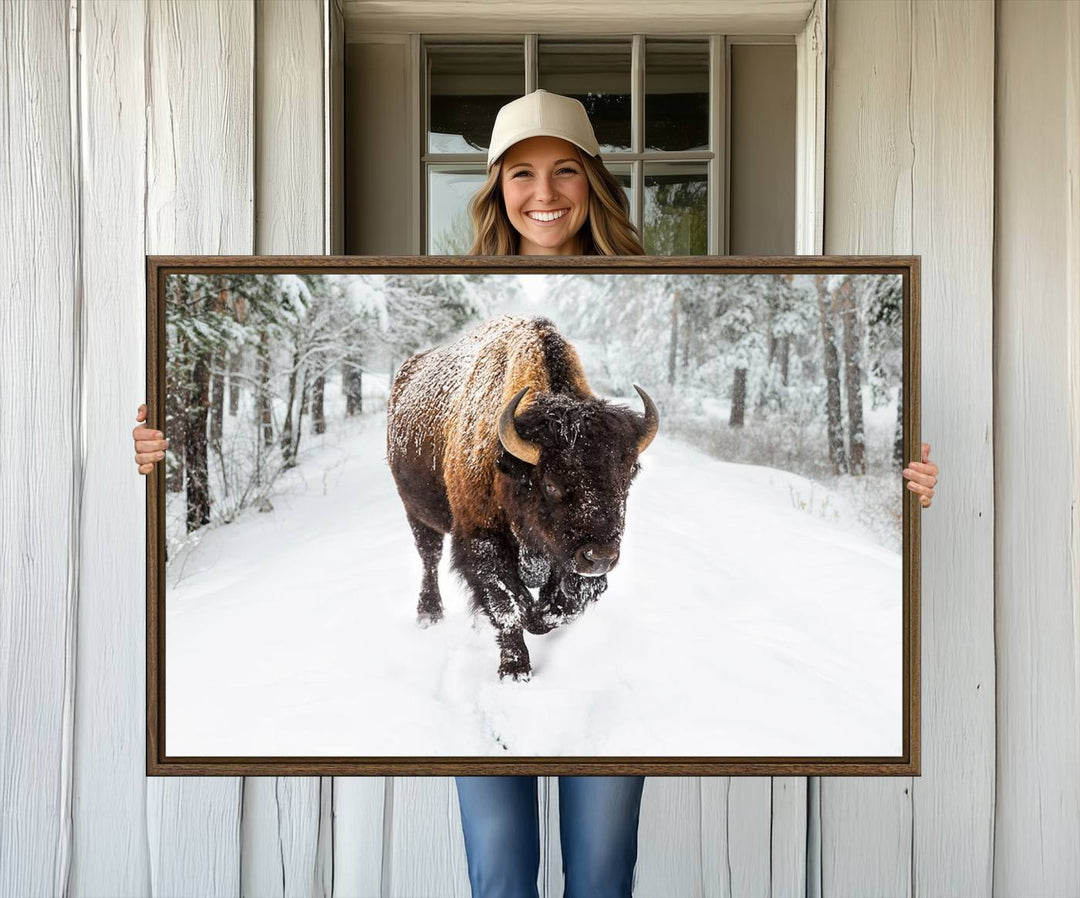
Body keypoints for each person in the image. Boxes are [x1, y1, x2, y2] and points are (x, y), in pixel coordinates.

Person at [131, 90, 939, 897]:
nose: (544, 194)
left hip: (602, 723)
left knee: (600, 877)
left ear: (594, 181)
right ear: (495, 188)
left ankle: (555, 601)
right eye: (521, 173)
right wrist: (157, 449)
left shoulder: (633, 315)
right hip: (466, 509)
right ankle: (458, 596)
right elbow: (478, 530)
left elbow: (597, 466)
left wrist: (911, 485)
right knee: (501, 877)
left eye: (565, 172)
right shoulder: (473, 379)